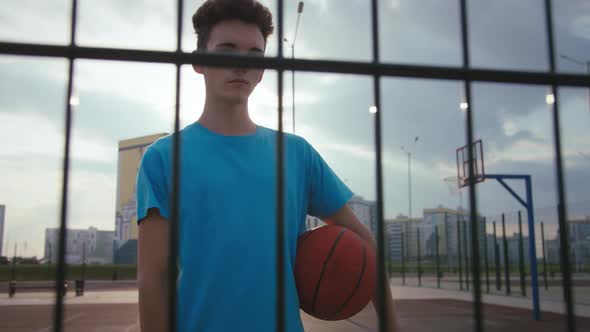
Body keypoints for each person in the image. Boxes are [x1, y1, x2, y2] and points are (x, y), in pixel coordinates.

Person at [136, 0, 399, 331]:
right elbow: (153, 277)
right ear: (198, 61)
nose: (241, 65)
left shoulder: (297, 154)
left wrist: (391, 325)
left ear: (262, 70)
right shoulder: (162, 158)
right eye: (227, 50)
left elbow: (362, 240)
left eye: (254, 56)